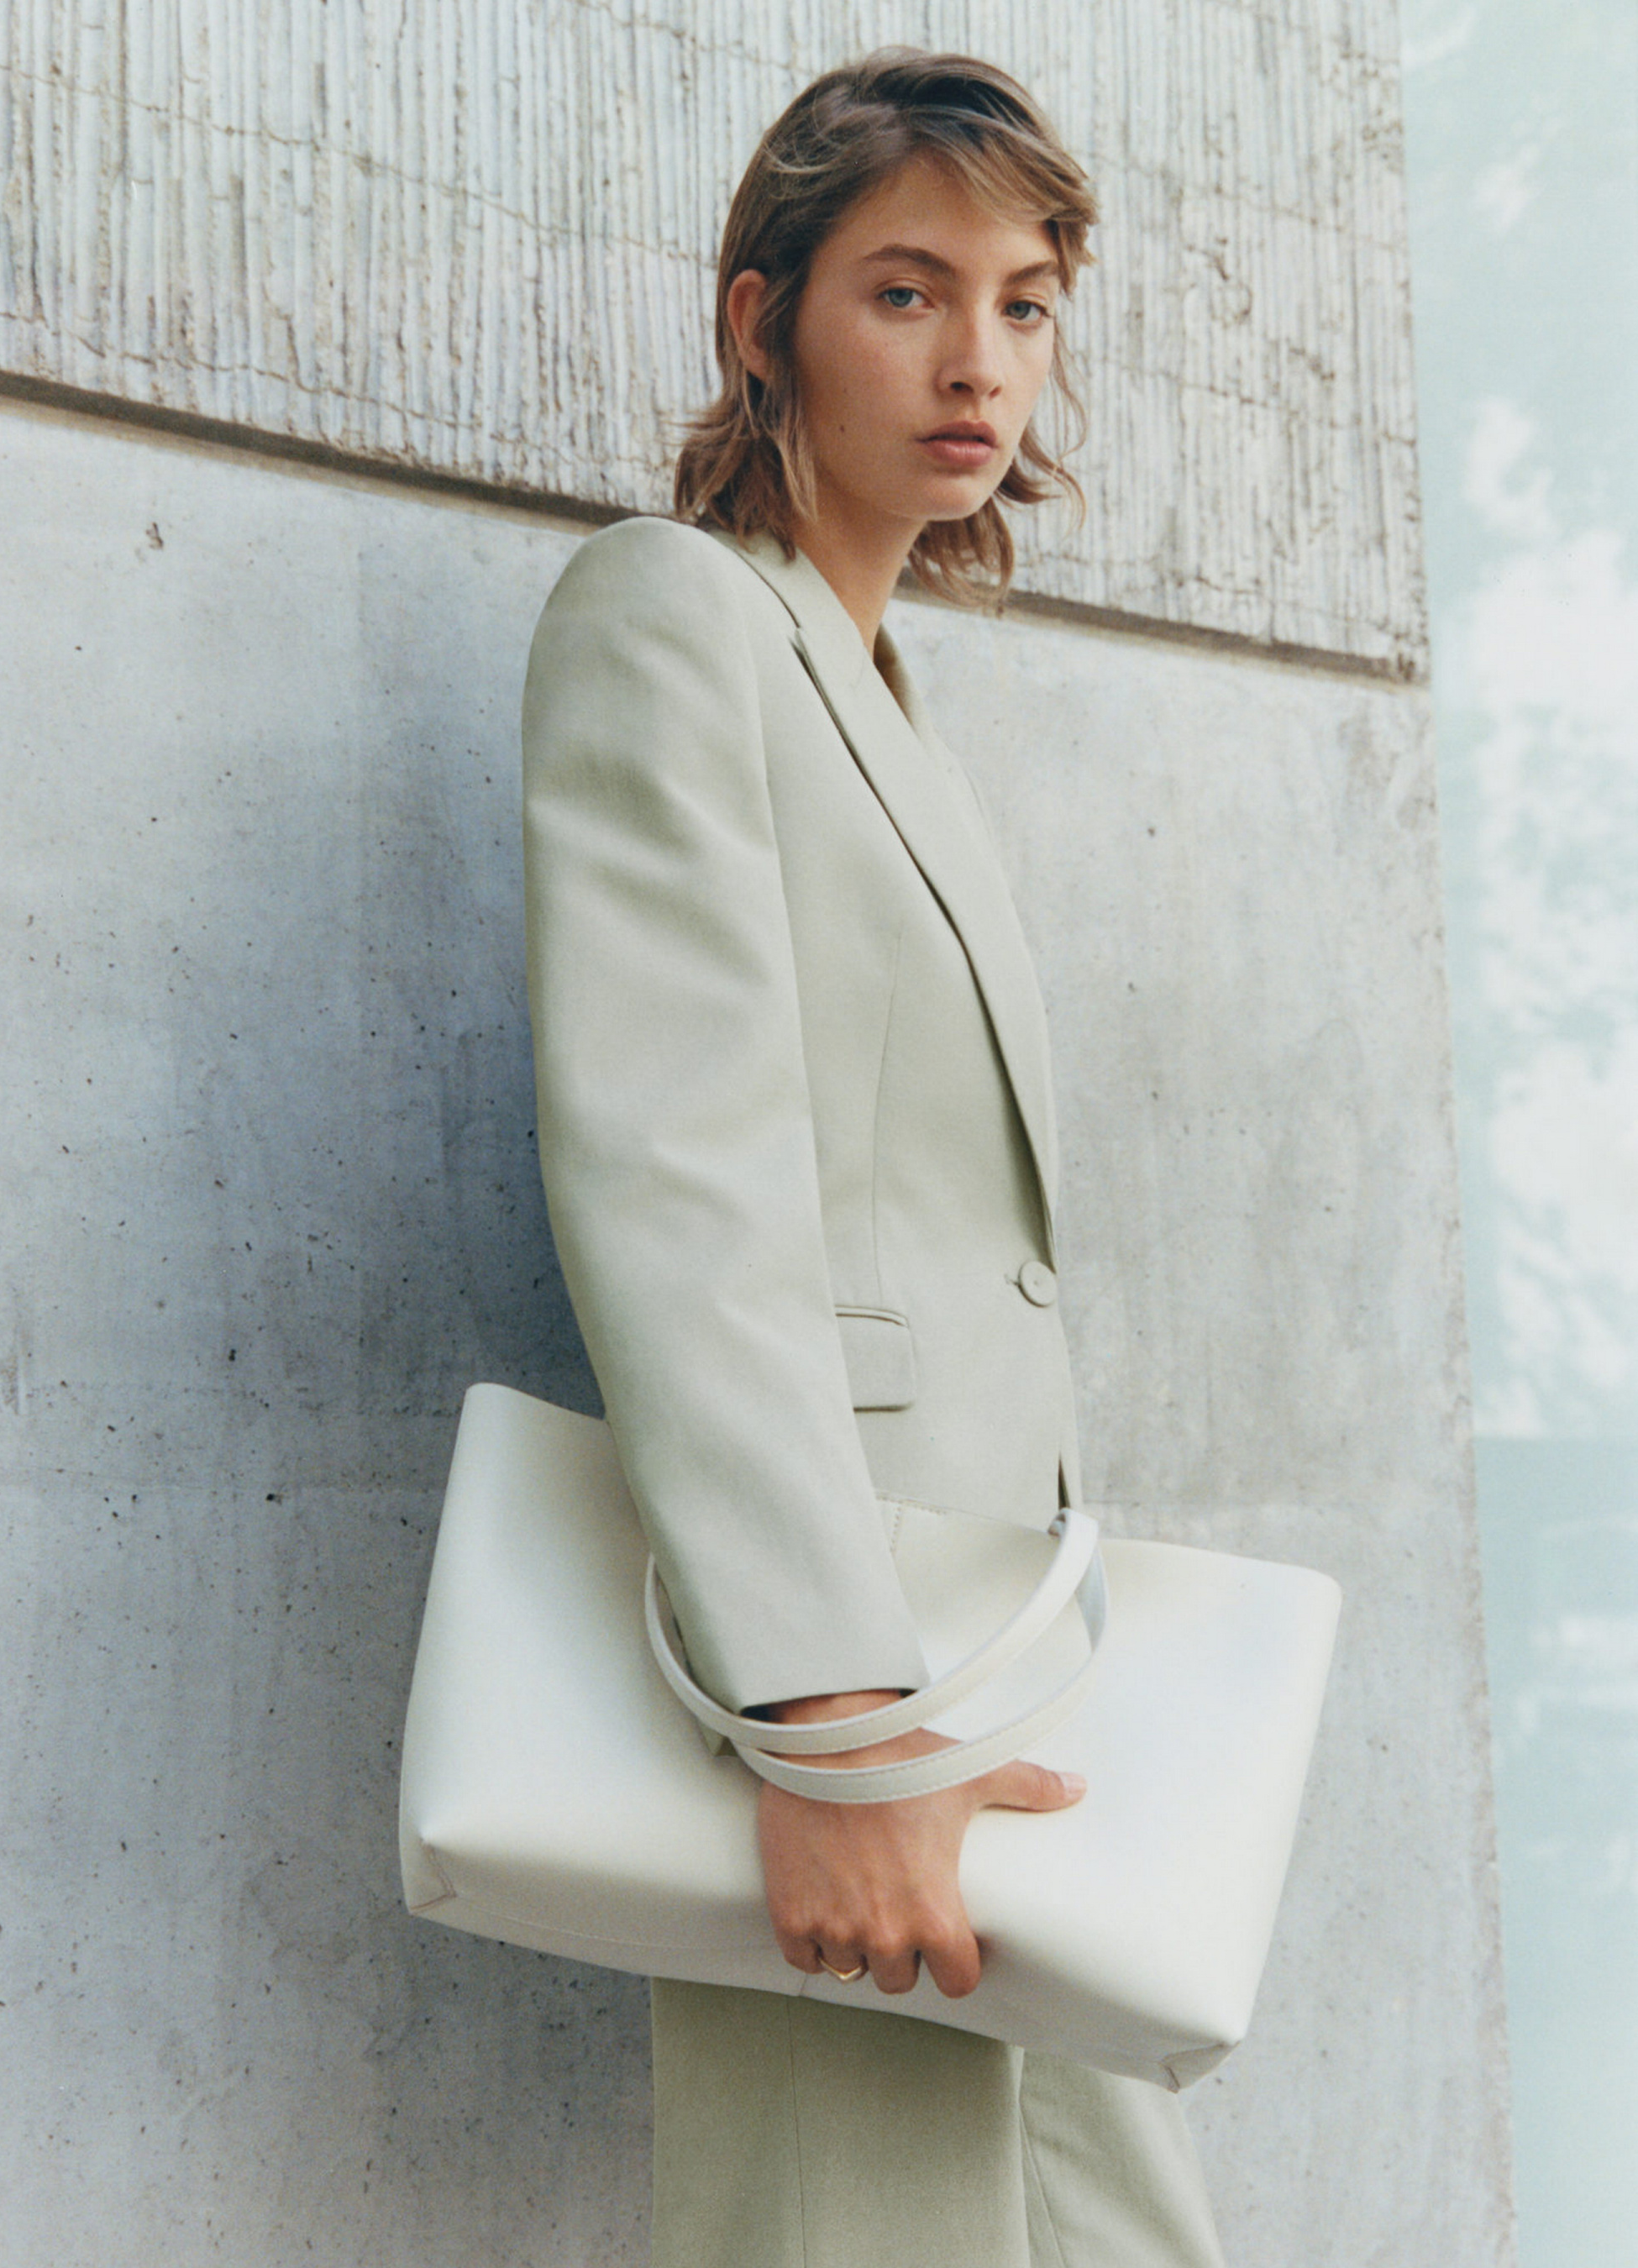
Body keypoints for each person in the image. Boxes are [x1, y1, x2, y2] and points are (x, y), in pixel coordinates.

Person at [521, 48, 1226, 2268]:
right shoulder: (672, 614)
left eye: (1025, 305)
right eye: (907, 293)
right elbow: (680, 1175)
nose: (978, 363)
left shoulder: (875, 679)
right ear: (764, 321)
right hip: (849, 1665)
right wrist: (829, 1718)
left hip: (992, 1653)